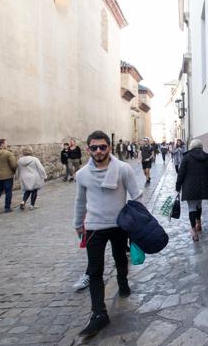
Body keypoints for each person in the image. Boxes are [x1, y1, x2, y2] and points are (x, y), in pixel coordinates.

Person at [73, 130, 141, 338]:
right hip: (94, 227)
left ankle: (122, 281)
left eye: (103, 146)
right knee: (95, 270)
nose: (99, 150)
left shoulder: (123, 169)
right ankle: (99, 314)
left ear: (109, 147)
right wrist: (78, 224)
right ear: (88, 149)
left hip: (119, 224)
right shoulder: (82, 174)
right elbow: (80, 201)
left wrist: (138, 223)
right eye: (94, 147)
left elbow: (136, 197)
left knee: (120, 258)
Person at [175, 139, 208, 241]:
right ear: (201, 147)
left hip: (189, 186)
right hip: (202, 185)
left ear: (191, 147)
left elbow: (181, 173)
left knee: (192, 207)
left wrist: (178, 186)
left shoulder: (187, 157)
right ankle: (199, 223)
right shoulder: (206, 157)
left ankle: (194, 231)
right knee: (199, 205)